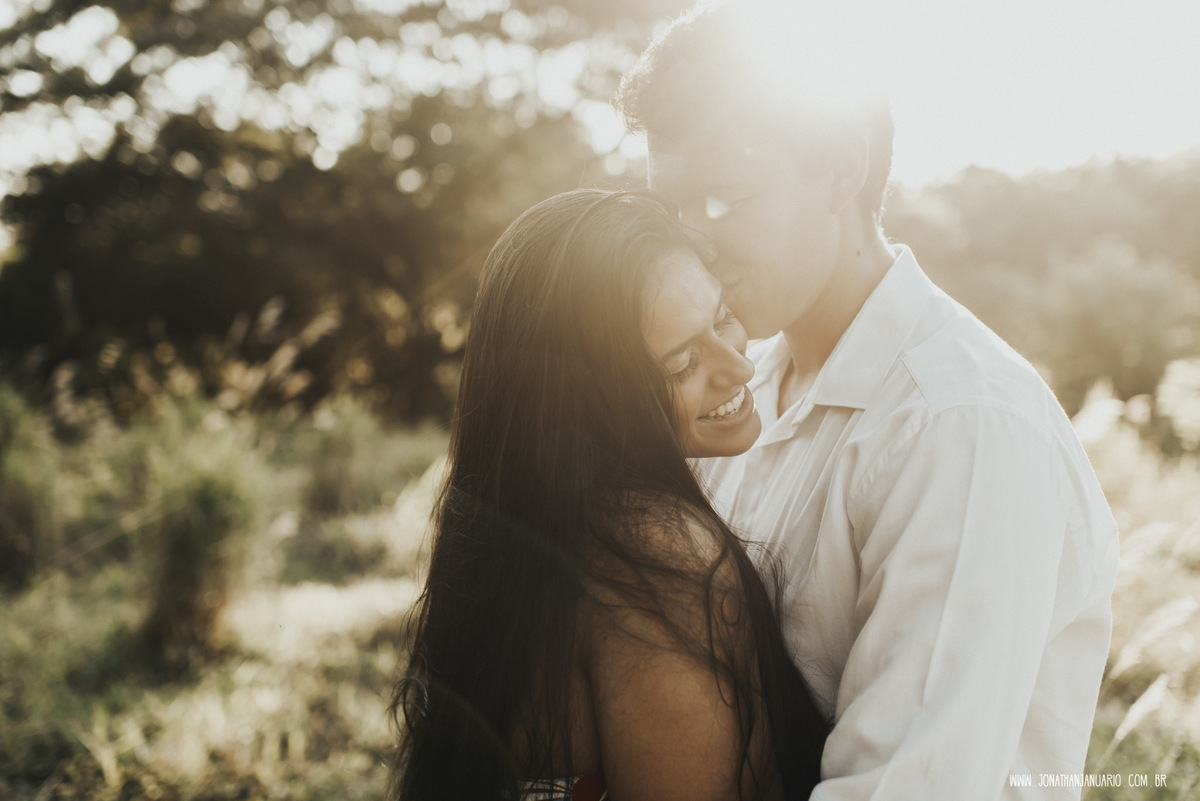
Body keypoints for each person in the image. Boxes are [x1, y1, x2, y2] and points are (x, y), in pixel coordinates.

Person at [615, 1, 1120, 799]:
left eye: (722, 199)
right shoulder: (736, 387)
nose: (691, 240)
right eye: (670, 208)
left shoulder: (959, 425)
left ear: (842, 172)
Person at [389, 189, 829, 801]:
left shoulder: (523, 525)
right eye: (681, 364)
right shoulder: (657, 559)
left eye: (723, 314)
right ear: (591, 402)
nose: (740, 367)